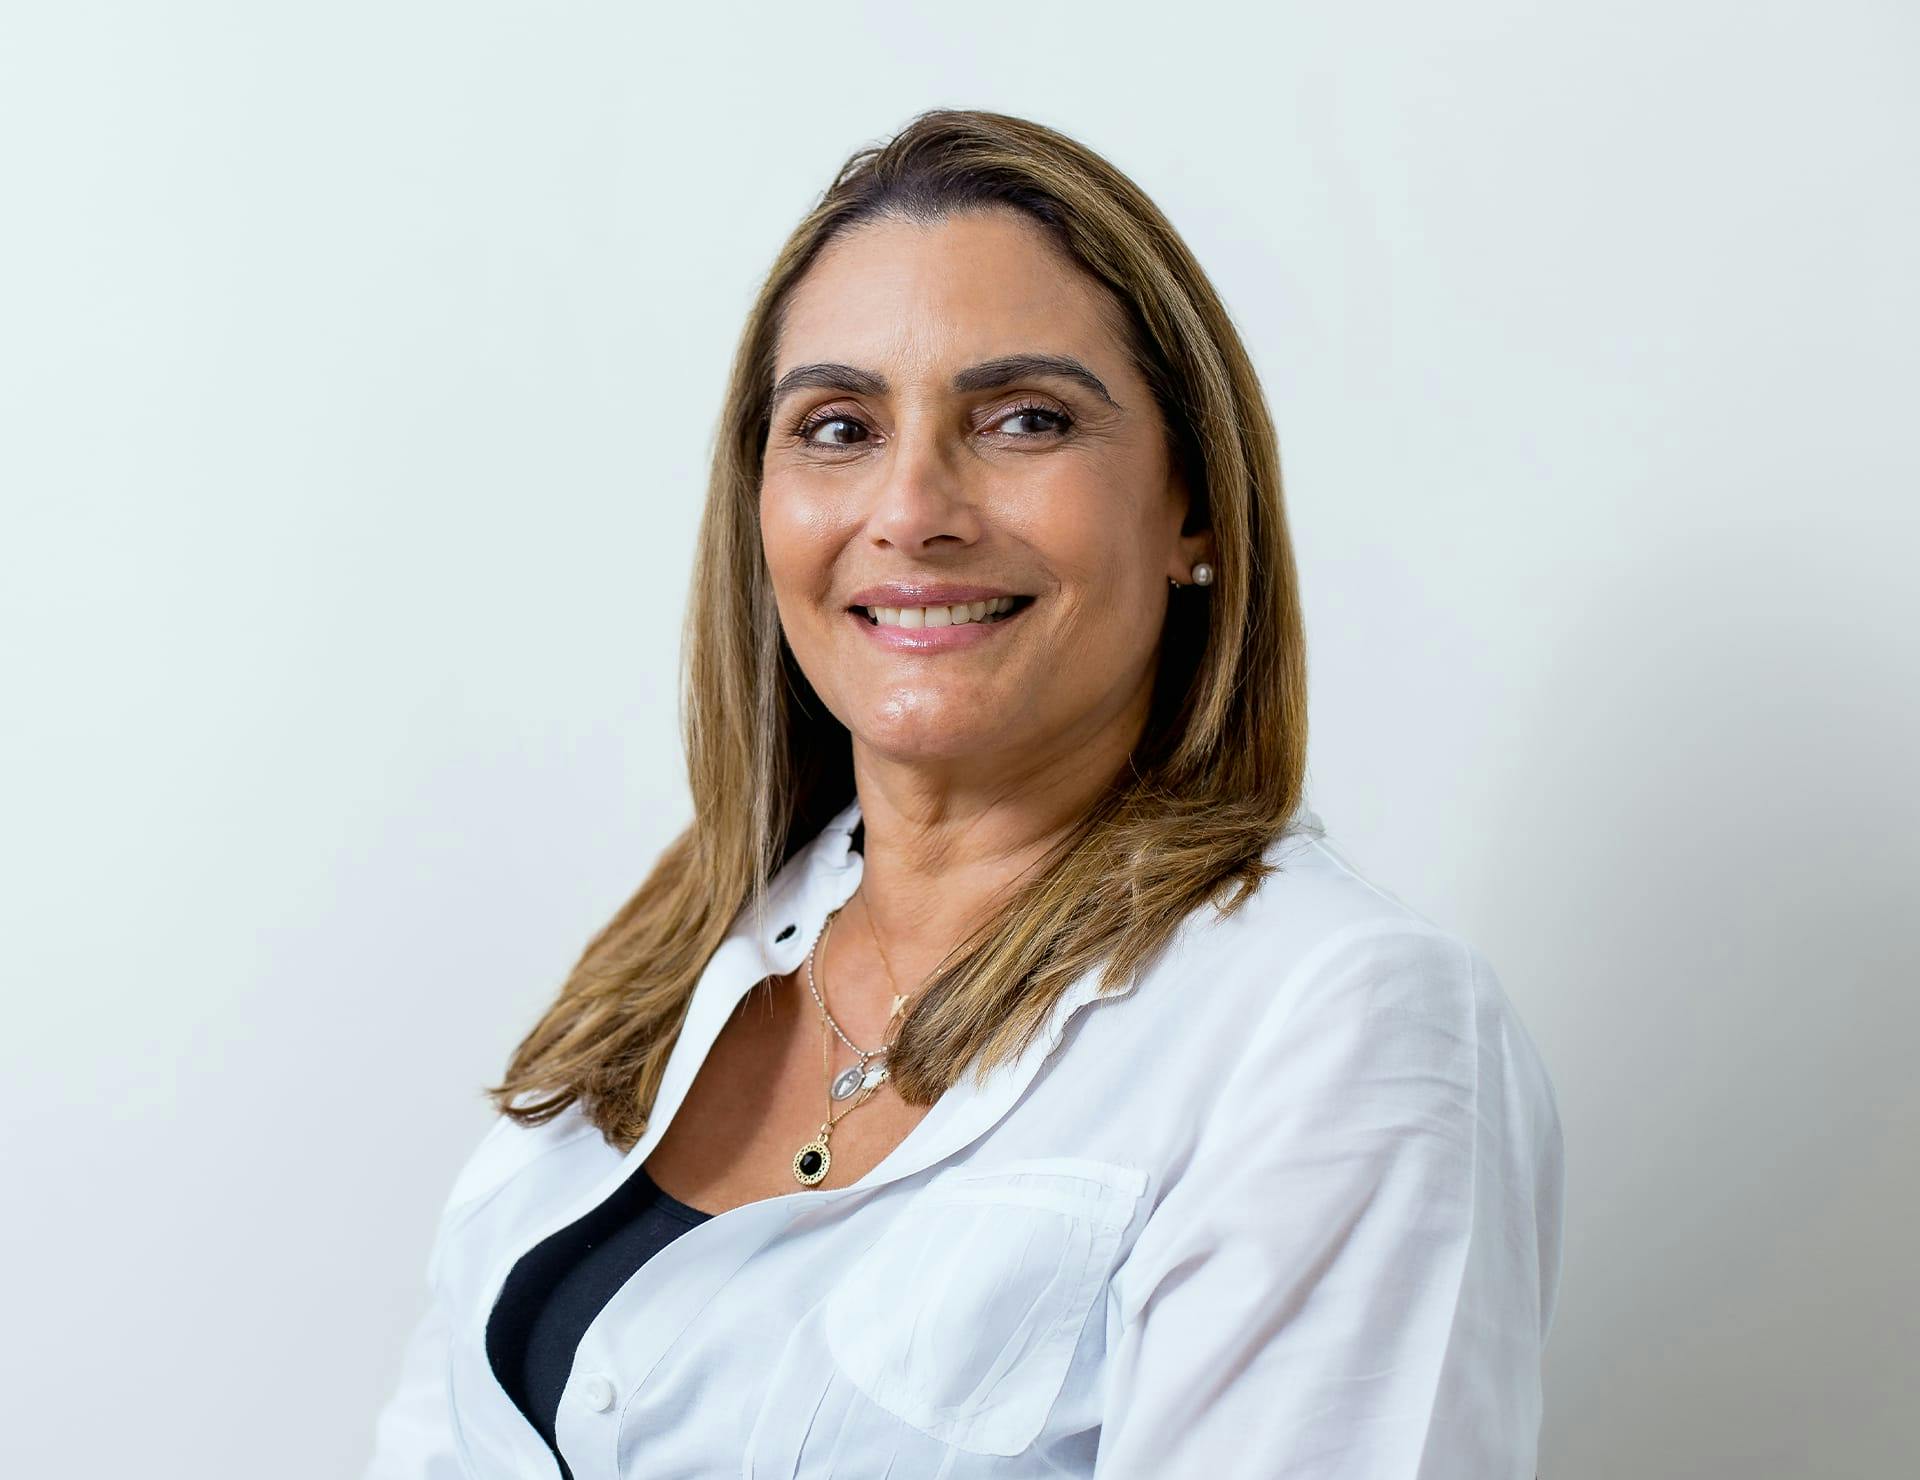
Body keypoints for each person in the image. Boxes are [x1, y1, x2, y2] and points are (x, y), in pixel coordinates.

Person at [362, 106, 1565, 1480]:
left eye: (1024, 418)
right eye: (838, 427)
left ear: (1194, 508)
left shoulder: (1335, 1028)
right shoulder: (678, 945)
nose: (914, 506)